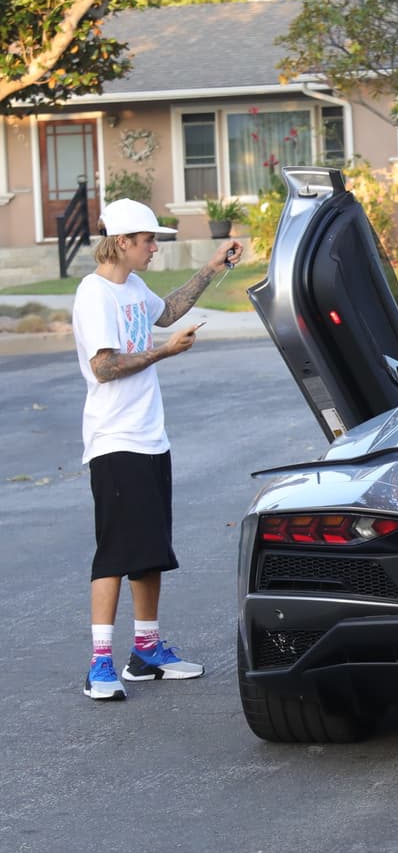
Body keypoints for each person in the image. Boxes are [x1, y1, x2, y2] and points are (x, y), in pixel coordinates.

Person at [73, 198, 242, 700]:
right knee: (114, 551)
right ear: (122, 242)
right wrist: (164, 352)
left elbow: (165, 312)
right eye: (148, 240)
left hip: (149, 438)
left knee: (149, 553)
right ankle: (99, 664)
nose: (154, 248)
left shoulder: (131, 288)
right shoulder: (94, 293)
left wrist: (211, 268)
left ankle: (145, 652)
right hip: (114, 440)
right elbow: (103, 367)